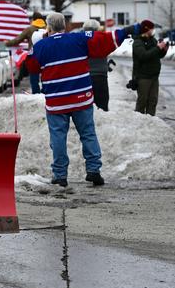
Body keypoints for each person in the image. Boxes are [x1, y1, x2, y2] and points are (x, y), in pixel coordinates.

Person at [25, 12, 136, 187]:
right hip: (81, 98)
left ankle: (60, 175)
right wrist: (127, 31)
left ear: (49, 27)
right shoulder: (79, 38)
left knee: (58, 137)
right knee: (88, 133)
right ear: (65, 25)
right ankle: (93, 170)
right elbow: (104, 41)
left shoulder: (42, 46)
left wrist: (35, 44)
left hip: (56, 101)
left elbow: (31, 66)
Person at [132, 19, 169, 116]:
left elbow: (157, 55)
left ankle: (151, 120)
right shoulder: (138, 42)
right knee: (142, 101)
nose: (153, 31)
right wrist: (157, 48)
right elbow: (143, 55)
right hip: (143, 76)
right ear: (146, 29)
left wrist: (163, 49)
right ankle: (139, 120)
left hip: (154, 76)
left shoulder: (152, 40)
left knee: (153, 100)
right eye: (151, 29)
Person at [5, 11, 46, 94]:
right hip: (47, 56)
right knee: (46, 76)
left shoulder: (30, 29)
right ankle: (46, 93)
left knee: (34, 78)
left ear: (33, 19)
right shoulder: (47, 28)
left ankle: (36, 95)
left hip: (34, 57)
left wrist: (7, 43)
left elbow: (18, 40)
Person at [83, 19, 111, 111]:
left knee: (87, 104)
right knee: (102, 103)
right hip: (101, 75)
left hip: (86, 76)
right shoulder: (103, 38)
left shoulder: (81, 39)